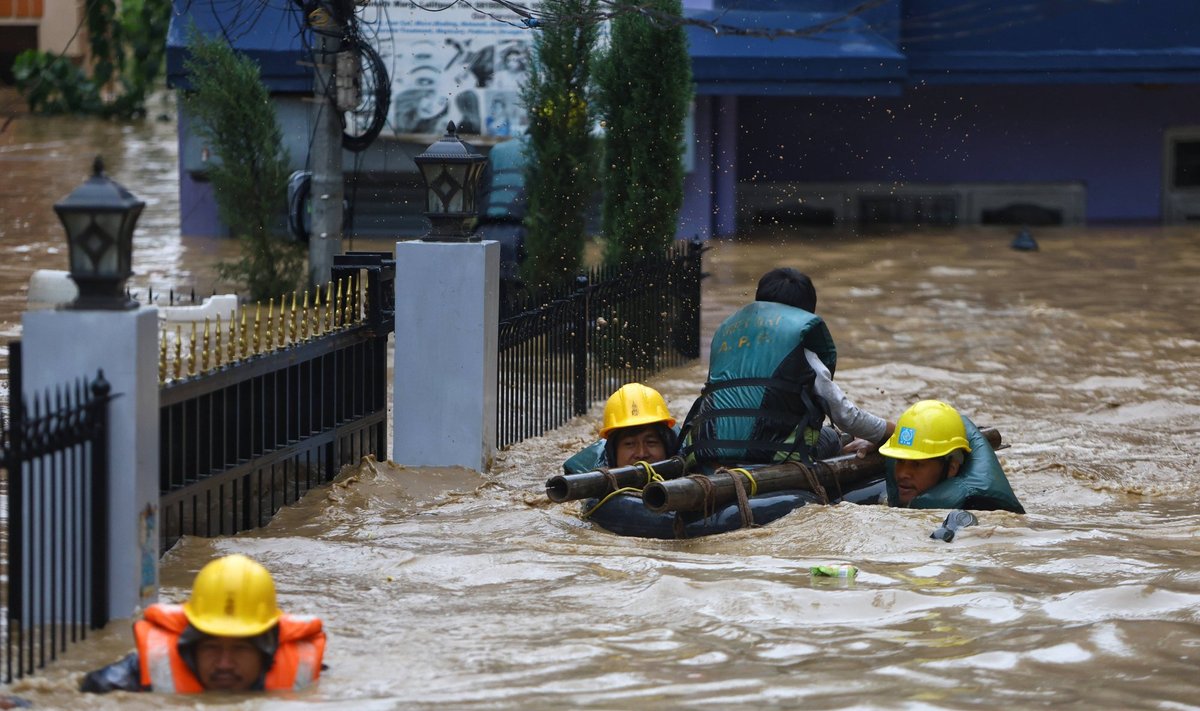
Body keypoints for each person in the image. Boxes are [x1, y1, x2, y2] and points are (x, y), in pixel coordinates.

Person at [679, 267, 894, 467]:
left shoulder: (727, 346)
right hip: (772, 456)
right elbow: (847, 416)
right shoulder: (804, 356)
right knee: (830, 436)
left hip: (706, 451)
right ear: (804, 315)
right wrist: (893, 432)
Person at [81, 554, 326, 694]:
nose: (224, 664)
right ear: (191, 642)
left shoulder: (302, 668)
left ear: (266, 647)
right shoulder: (124, 679)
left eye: (240, 648)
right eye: (211, 647)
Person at [879, 399, 1025, 513]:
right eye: (900, 460)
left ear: (952, 468)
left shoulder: (974, 511)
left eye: (917, 464)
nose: (903, 473)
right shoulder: (895, 493)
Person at [562, 383, 678, 473]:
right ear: (613, 451)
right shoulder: (590, 478)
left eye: (651, 442)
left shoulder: (687, 463)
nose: (641, 454)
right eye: (629, 444)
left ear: (667, 445)